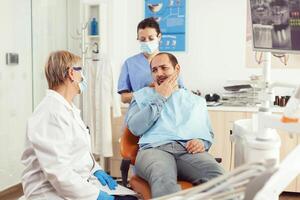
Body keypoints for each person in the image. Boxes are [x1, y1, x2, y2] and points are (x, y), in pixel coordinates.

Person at [21, 51, 136, 200]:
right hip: (49, 193)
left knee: (131, 198)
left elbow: (77, 152)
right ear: (71, 73)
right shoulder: (50, 114)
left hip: (75, 185)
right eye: (80, 70)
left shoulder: (67, 109)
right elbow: (59, 173)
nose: (83, 76)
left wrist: (95, 169)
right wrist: (97, 196)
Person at [126, 52, 225, 198]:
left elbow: (207, 133)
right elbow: (135, 127)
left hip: (187, 151)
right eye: (154, 70)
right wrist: (161, 97)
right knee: (162, 176)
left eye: (164, 68)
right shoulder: (142, 96)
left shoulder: (196, 101)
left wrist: (201, 142)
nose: (159, 73)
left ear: (177, 69)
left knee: (218, 176)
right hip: (154, 149)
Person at [118, 17, 184, 104]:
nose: (147, 42)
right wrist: (147, 92)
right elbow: (124, 98)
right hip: (140, 112)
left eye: (151, 38)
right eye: (142, 39)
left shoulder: (169, 61)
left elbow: (181, 91)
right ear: (138, 39)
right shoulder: (129, 64)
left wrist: (165, 90)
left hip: (167, 112)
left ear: (159, 37)